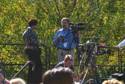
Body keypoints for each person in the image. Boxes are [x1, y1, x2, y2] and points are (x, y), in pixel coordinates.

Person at [23, 19, 42, 84]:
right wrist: (37, 44)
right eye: (36, 25)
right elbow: (27, 42)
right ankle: (33, 81)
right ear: (34, 25)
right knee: (33, 66)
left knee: (36, 66)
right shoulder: (29, 32)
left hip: (34, 50)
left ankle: (34, 81)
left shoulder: (30, 31)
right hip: (32, 51)